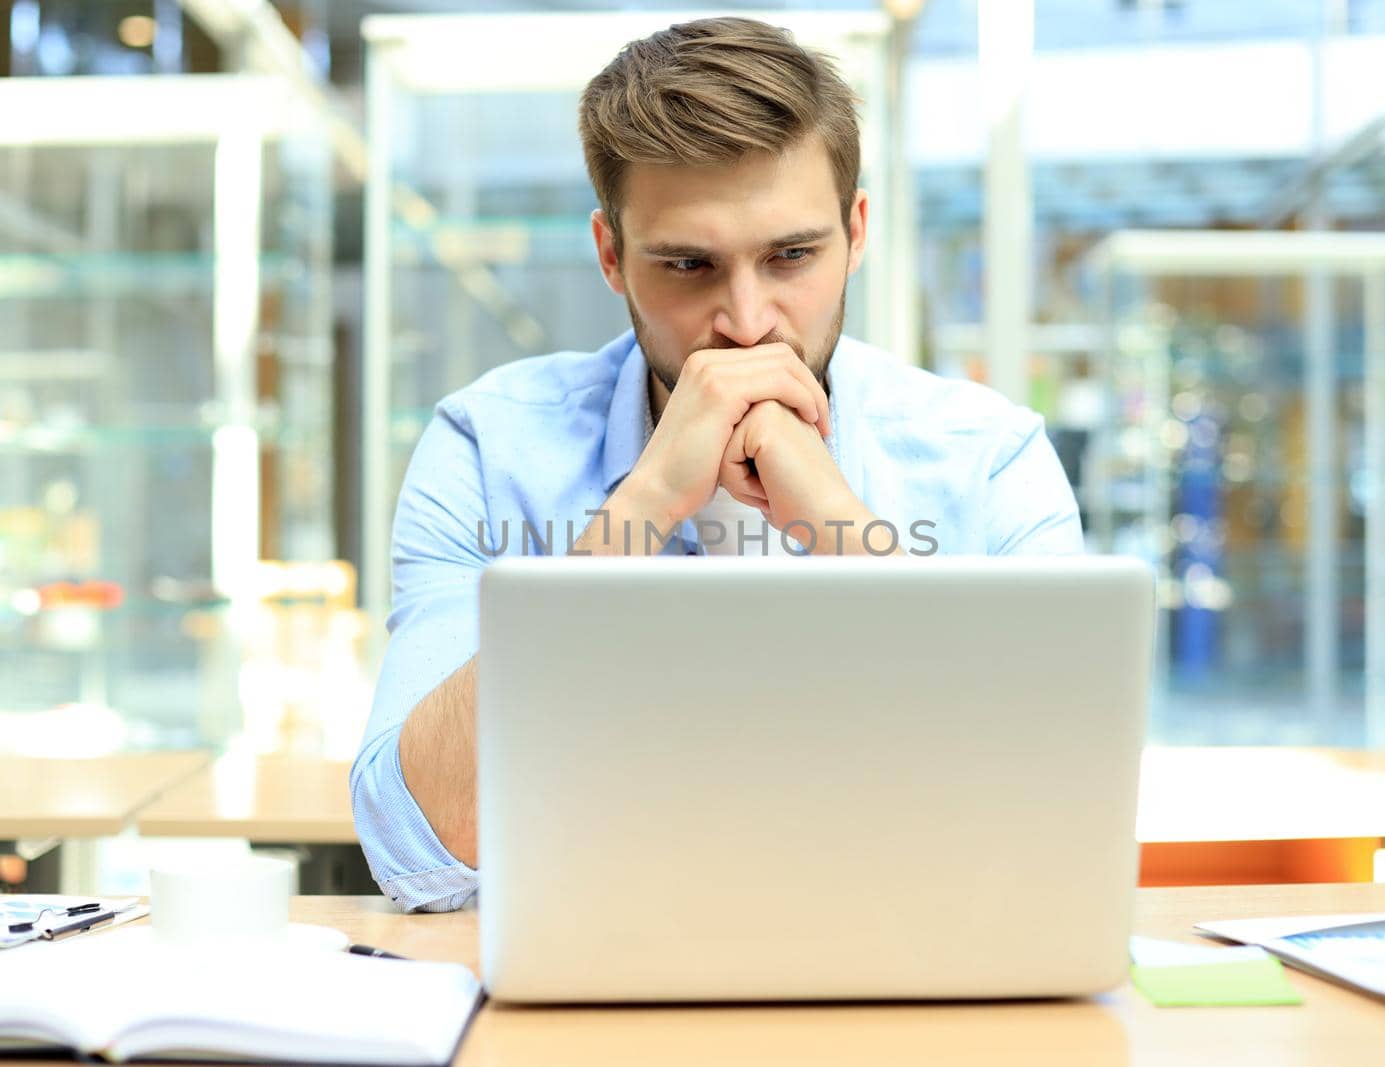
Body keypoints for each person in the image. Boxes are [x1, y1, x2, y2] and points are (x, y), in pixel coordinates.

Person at [352, 17, 1082, 912]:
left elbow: (1048, 811)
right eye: (690, 265)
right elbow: (416, 846)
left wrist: (841, 527)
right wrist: (647, 500)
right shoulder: (488, 446)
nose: (747, 320)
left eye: (792, 256)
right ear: (611, 256)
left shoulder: (988, 456)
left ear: (857, 233)